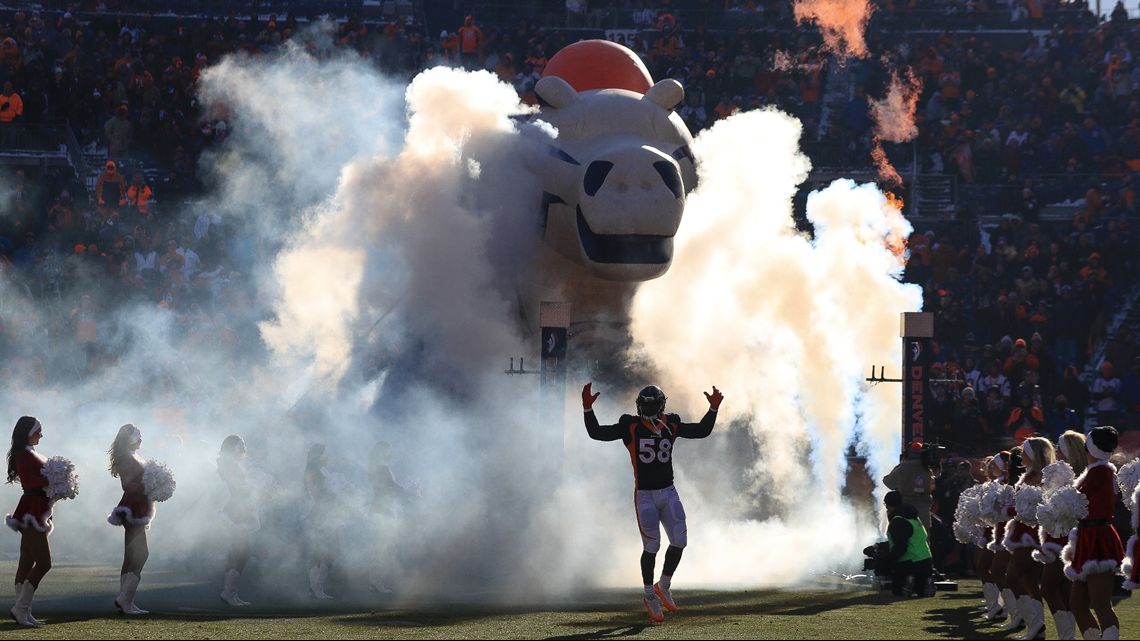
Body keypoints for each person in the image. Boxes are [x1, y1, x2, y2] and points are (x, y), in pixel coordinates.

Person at [583, 382, 722, 623]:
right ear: (639, 406)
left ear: (661, 405)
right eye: (645, 404)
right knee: (652, 547)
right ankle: (649, 595)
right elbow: (597, 433)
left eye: (652, 404)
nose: (648, 408)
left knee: (680, 540)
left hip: (668, 491)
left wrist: (712, 410)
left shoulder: (671, 423)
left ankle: (663, 585)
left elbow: (701, 431)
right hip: (645, 495)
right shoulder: (631, 426)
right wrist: (587, 409)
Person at [1063, 426, 1123, 640]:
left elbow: (1079, 496)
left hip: (1098, 536)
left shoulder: (1101, 470)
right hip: (1088, 536)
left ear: (1089, 447)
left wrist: (1061, 494)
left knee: (1100, 604)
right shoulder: (1099, 469)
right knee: (1077, 604)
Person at [1037, 431, 1086, 641]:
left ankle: (1068, 635)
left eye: (1060, 448)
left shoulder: (1073, 476)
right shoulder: (1069, 473)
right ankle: (1069, 635)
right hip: (1061, 536)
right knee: (1066, 591)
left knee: (1048, 588)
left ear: (1069, 451)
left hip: (1064, 539)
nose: (1056, 452)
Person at [1003, 437, 1053, 640]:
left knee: (1011, 577)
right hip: (1026, 531)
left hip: (1030, 533)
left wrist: (1008, 509)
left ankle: (1035, 624)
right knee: (1030, 582)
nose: (1020, 455)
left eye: (1024, 451)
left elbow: (1031, 508)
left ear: (1033, 454)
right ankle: (1036, 628)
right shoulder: (1031, 474)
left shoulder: (1037, 476)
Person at [4, 417, 51, 626]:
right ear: (28, 432)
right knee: (44, 563)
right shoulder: (24, 454)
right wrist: (54, 480)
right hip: (31, 507)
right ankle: (20, 608)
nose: (41, 435)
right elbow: (29, 481)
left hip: (38, 507)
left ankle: (24, 610)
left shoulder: (31, 453)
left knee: (26, 562)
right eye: (38, 431)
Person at [106, 423, 154, 615]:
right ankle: (124, 599)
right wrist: (148, 485)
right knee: (142, 554)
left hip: (138, 506)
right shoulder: (126, 456)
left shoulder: (132, 455)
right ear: (131, 438)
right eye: (138, 436)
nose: (141, 440)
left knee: (131, 556)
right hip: (132, 507)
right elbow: (127, 485)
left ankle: (127, 600)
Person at [217, 435, 255, 607]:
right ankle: (229, 593)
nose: (243, 450)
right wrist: (254, 489)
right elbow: (238, 487)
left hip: (240, 507)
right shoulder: (231, 465)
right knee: (241, 551)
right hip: (237, 509)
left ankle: (230, 593)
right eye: (241, 447)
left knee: (239, 551)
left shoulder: (233, 464)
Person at [367, 440, 408, 594]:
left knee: (382, 546)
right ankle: (376, 582)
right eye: (389, 450)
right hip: (382, 510)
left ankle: (375, 581)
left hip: (381, 508)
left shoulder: (377, 468)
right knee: (383, 546)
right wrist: (407, 491)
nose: (391, 452)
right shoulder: (382, 469)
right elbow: (389, 487)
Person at [884, 490, 934, 597]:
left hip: (909, 562)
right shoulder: (914, 518)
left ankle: (907, 582)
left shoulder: (897, 521)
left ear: (888, 505)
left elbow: (901, 547)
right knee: (921, 588)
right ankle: (925, 582)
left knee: (897, 590)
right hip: (926, 561)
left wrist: (887, 561)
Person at [305, 444, 339, 599]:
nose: (328, 457)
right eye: (326, 454)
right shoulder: (313, 472)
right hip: (319, 513)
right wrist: (333, 493)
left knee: (333, 550)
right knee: (321, 549)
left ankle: (318, 587)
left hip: (329, 513)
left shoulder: (322, 471)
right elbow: (317, 494)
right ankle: (315, 588)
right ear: (319, 456)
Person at [883, 442, 935, 529]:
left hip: (905, 509)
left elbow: (888, 482)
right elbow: (933, 484)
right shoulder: (927, 469)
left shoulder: (902, 469)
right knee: (923, 536)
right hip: (924, 510)